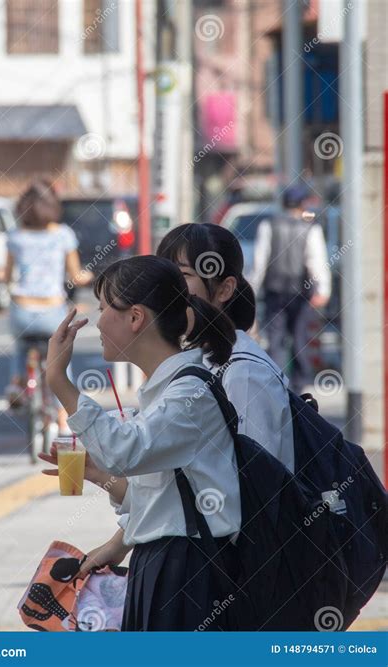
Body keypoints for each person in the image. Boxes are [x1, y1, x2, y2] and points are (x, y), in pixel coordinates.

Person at [44, 255, 242, 631]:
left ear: (135, 318)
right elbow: (159, 497)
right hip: (167, 563)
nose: (97, 320)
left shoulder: (189, 394)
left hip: (188, 569)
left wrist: (59, 381)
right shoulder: (166, 391)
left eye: (103, 308)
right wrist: (97, 474)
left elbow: (124, 452)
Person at [157, 222, 295, 472]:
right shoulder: (197, 359)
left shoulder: (244, 374)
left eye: (182, 276)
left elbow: (259, 486)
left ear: (225, 289)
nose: (166, 289)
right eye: (164, 275)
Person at [3, 179, 93, 434]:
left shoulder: (15, 236)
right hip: (52, 310)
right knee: (60, 358)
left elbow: (7, 275)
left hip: (22, 308)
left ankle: (17, 382)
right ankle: (65, 417)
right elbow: (75, 276)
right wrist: (89, 276)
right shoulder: (63, 234)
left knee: (21, 345)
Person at [250, 184, 331, 394]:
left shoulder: (269, 225)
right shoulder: (310, 228)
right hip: (300, 293)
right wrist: (323, 289)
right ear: (302, 203)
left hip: (274, 291)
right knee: (299, 338)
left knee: (275, 340)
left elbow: (260, 262)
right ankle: (298, 386)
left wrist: (253, 288)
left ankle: (276, 383)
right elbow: (315, 261)